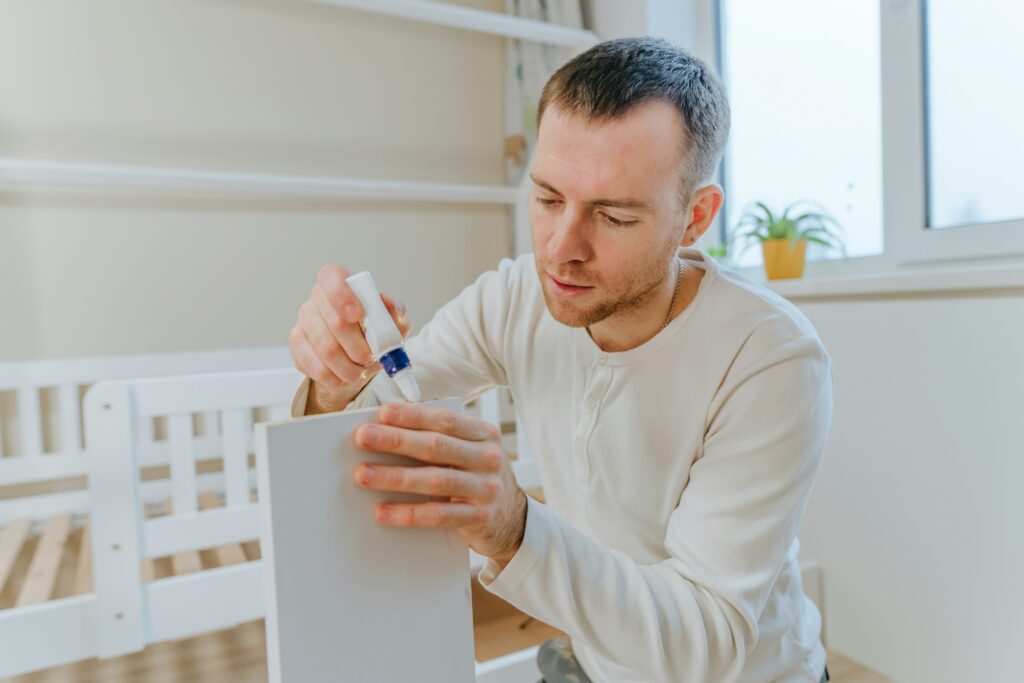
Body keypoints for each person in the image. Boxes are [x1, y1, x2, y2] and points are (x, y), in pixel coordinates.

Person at [288, 37, 832, 683]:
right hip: (595, 662)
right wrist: (332, 379)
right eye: (548, 199)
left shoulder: (770, 357)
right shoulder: (515, 296)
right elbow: (362, 427)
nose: (561, 248)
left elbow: (704, 641)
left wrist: (516, 527)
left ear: (695, 218)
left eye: (613, 215)